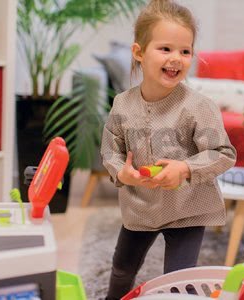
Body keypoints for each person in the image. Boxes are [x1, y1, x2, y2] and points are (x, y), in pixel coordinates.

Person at [100, 1, 236, 299]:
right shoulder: (122, 104)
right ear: (138, 52)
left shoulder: (200, 106)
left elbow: (223, 153)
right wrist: (122, 172)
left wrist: (185, 168)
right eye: (165, 49)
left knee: (180, 282)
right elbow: (111, 151)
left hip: (188, 210)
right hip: (140, 208)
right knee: (122, 269)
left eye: (185, 51)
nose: (176, 58)